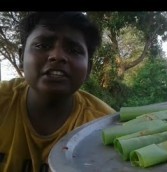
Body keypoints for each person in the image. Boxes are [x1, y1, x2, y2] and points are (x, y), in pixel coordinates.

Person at [0, 12, 116, 172]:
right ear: (21, 58)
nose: (57, 56)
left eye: (74, 50)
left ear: (88, 68)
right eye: (42, 46)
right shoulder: (3, 100)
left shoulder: (103, 129)